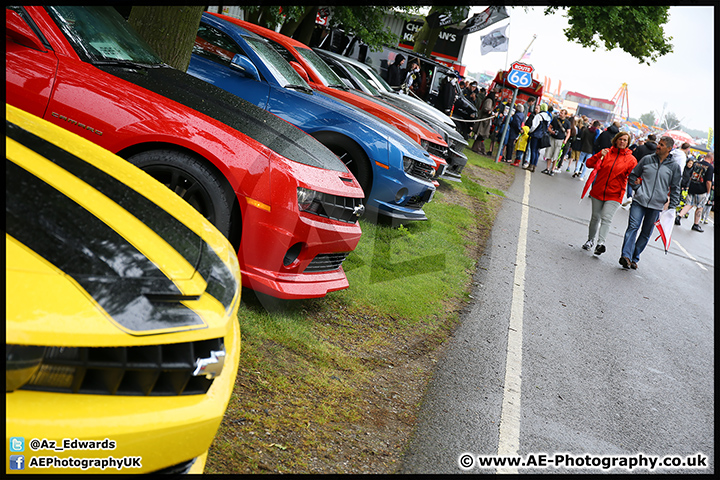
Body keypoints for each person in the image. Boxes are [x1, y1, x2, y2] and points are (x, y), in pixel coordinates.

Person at [619, 136, 682, 269]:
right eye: (658, 143)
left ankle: (634, 257)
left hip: (656, 205)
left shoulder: (674, 167)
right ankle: (626, 256)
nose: (658, 146)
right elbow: (632, 175)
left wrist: (672, 207)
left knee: (646, 232)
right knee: (633, 227)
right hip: (639, 200)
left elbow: (676, 188)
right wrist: (637, 189)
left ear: (669, 149)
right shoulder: (647, 159)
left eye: (662, 145)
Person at [581, 131, 637, 255]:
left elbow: (634, 177)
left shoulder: (631, 160)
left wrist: (638, 182)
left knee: (606, 218)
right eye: (620, 139)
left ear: (628, 143)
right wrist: (599, 155)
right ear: (616, 140)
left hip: (615, 194)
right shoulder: (606, 152)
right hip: (598, 190)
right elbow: (589, 164)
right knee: (595, 217)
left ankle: (600, 244)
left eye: (625, 140)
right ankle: (590, 240)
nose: (622, 142)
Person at [675, 151, 714, 232]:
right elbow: (708, 181)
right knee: (700, 206)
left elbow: (691, 174)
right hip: (701, 189)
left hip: (692, 186)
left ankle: (679, 216)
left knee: (689, 204)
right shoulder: (710, 167)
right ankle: (696, 224)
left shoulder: (696, 163)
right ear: (712, 158)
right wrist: (708, 191)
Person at [524, 103, 551, 172]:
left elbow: (534, 126)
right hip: (542, 135)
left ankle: (531, 165)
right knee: (537, 151)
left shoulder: (538, 116)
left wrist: (530, 131)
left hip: (536, 135)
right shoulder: (548, 117)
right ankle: (534, 165)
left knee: (533, 150)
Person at [542, 108, 568, 175]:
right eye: (560, 112)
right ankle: (547, 168)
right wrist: (552, 132)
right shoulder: (555, 119)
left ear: (565, 115)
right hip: (552, 138)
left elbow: (569, 132)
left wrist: (565, 140)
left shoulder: (567, 122)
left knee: (556, 155)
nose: (560, 114)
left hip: (560, 140)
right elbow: (549, 127)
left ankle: (553, 169)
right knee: (549, 153)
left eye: (562, 113)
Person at [471, 90, 496, 154]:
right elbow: (486, 108)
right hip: (484, 120)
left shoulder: (488, 99)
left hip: (484, 119)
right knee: (481, 134)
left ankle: (480, 148)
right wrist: (491, 113)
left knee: (482, 135)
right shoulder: (489, 100)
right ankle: (477, 148)